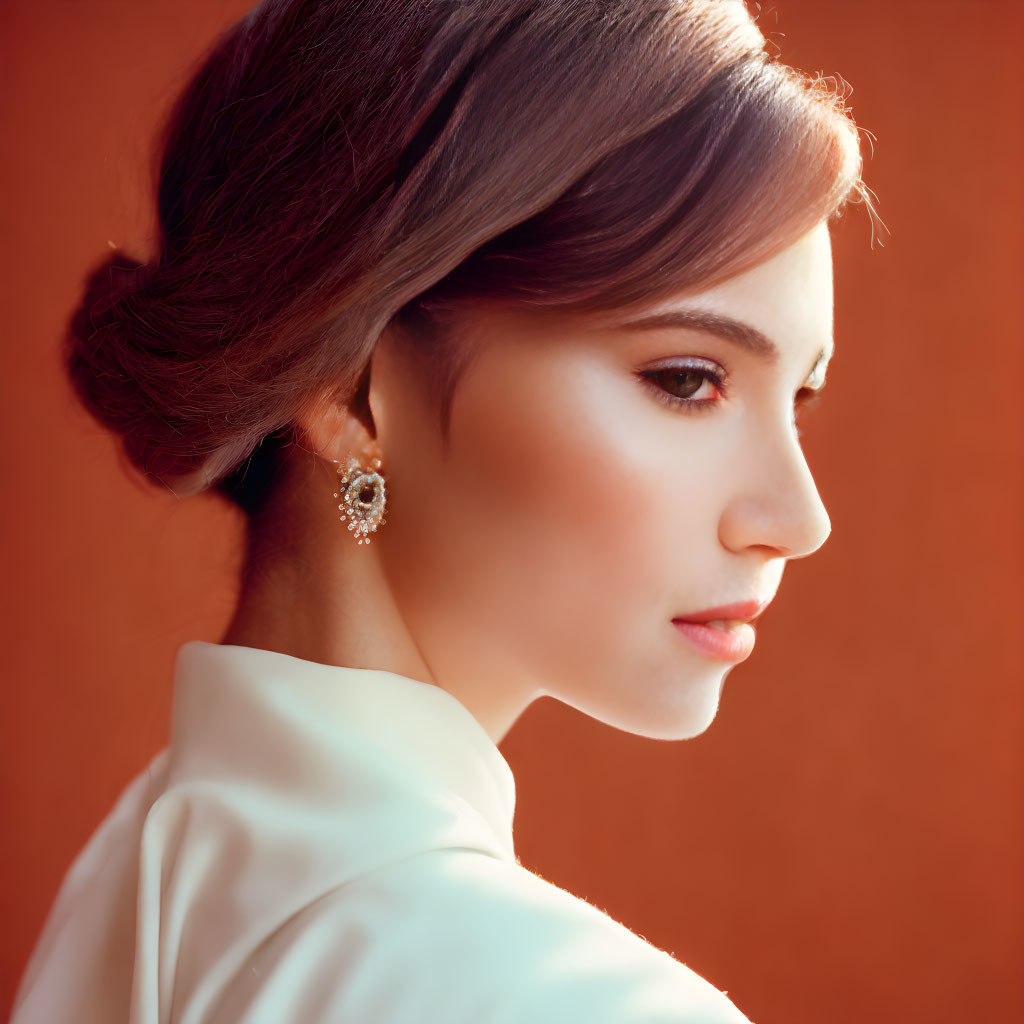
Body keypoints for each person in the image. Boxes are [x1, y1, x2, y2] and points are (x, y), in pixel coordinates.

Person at [11, 0, 876, 1020]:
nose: (798, 517)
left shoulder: (132, 880)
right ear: (349, 391)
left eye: (801, 397)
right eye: (688, 380)